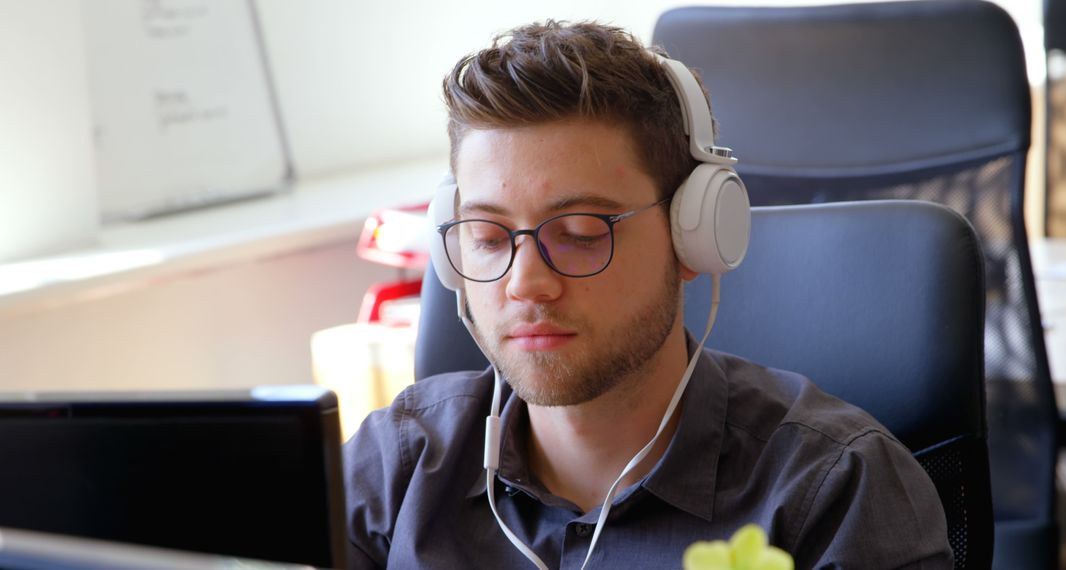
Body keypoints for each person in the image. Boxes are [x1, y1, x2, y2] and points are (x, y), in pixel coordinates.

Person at [343, 20, 951, 569]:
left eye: (582, 233)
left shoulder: (835, 493)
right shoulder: (397, 465)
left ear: (693, 239)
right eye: (487, 236)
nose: (525, 282)